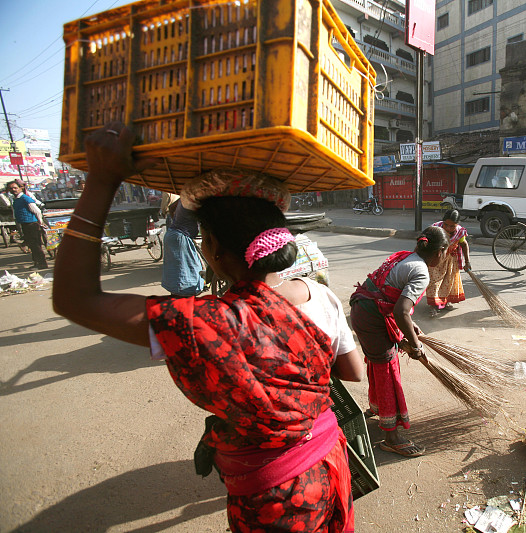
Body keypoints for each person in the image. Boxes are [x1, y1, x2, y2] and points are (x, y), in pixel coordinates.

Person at [52, 122, 361, 533]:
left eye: (202, 239)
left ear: (213, 249)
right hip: (327, 463)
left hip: (278, 499)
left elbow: (76, 300)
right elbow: (354, 372)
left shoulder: (203, 323)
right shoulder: (320, 297)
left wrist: (102, 180)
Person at [349, 226, 449, 457]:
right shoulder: (421, 270)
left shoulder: (406, 257)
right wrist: (416, 346)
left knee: (378, 363)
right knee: (388, 371)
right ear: (441, 251)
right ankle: (392, 437)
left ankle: (377, 408)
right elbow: (401, 310)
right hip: (372, 318)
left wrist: (408, 325)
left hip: (363, 312)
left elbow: (389, 295)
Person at [427, 209, 471, 316]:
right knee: (434, 281)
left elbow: (464, 245)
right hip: (436, 260)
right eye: (446, 225)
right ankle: (433, 306)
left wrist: (467, 261)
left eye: (452, 226)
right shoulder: (435, 229)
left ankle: (445, 302)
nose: (449, 228)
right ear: (443, 222)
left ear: (457, 224)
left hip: (450, 260)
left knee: (448, 281)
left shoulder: (460, 232)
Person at [161, 197, 206, 296]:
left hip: (174, 234)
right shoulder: (197, 199)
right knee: (185, 278)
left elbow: (172, 207)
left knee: (180, 276)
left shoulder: (186, 195)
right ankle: (182, 305)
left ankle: (179, 303)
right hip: (180, 238)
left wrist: (178, 222)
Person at [6, 179, 48, 270]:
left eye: (15, 188)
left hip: (32, 224)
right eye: (11, 188)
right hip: (25, 224)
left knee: (36, 245)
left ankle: (42, 264)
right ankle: (37, 263)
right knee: (32, 245)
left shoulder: (25, 198)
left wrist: (40, 222)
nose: (13, 190)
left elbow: (37, 211)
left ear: (20, 188)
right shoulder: (16, 199)